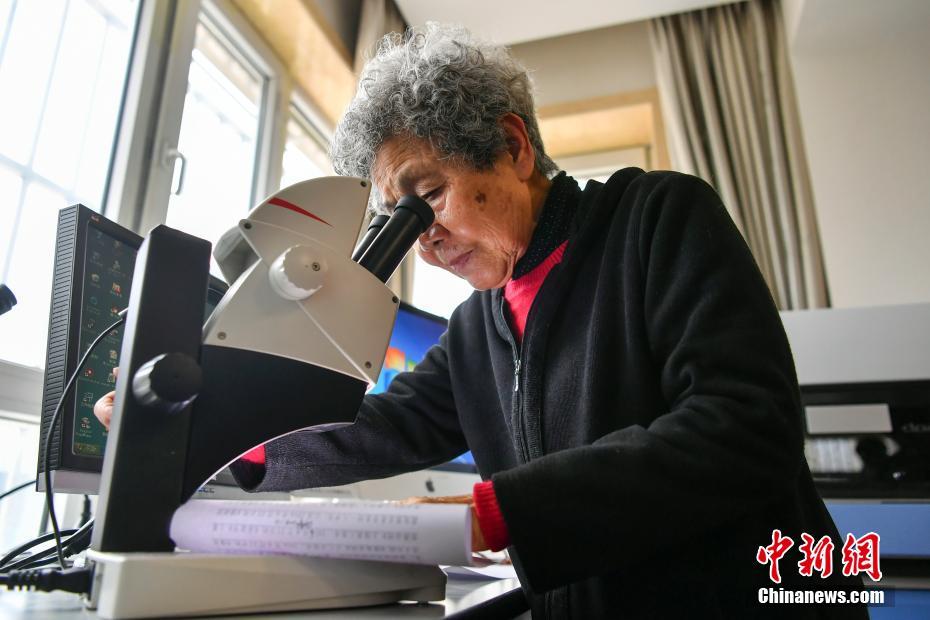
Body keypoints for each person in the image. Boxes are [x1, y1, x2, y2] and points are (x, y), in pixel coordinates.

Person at [96, 23, 868, 619]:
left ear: (512, 146)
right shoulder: (478, 327)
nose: (421, 239)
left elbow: (747, 426)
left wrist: (498, 513)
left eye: (426, 196)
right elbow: (379, 427)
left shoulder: (658, 219)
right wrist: (220, 446)